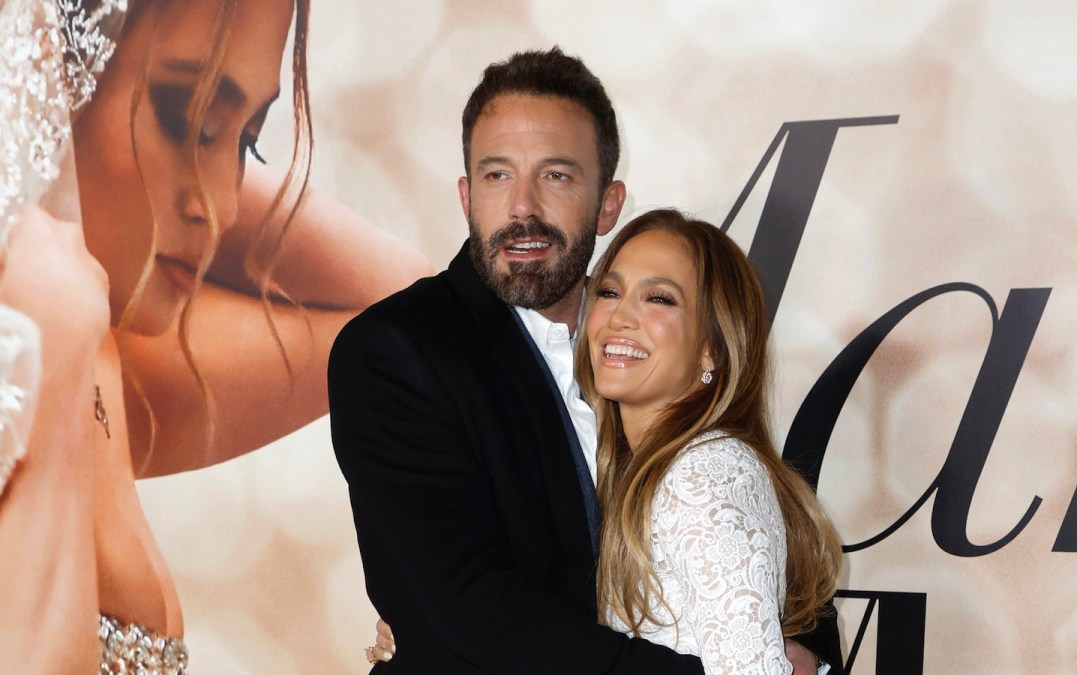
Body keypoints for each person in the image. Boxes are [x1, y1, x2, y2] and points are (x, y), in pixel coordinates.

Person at [331, 48, 840, 674]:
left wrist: (805, 650)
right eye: (496, 176)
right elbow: (472, 607)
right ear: (465, 195)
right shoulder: (394, 351)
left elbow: (748, 527)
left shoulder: (650, 340)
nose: (522, 208)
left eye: (557, 176)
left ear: (607, 203)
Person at [0, 0, 431, 671]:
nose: (221, 203)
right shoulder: (40, 338)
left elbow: (406, 311)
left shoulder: (103, 354)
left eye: (248, 140)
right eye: (187, 118)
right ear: (54, 74)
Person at [579, 208, 843, 674]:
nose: (619, 316)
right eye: (609, 291)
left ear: (712, 348)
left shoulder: (707, 472)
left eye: (658, 298)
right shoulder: (643, 468)